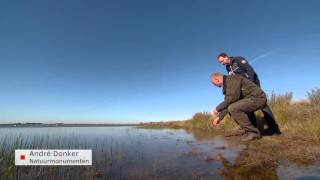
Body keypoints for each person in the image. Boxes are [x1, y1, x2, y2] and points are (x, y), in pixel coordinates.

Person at [217, 53, 281, 135]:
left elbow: (250, 70)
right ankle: (254, 130)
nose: (222, 63)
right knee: (247, 108)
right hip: (243, 90)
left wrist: (251, 85)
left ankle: (274, 128)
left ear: (226, 56)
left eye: (222, 61)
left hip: (252, 85)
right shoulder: (228, 68)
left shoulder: (238, 60)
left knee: (263, 106)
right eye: (220, 63)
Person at [211, 72, 267, 141]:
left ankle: (253, 132)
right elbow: (229, 102)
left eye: (214, 84)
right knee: (232, 108)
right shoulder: (227, 85)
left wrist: (217, 109)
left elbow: (231, 99)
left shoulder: (231, 79)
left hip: (257, 98)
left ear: (217, 79)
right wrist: (219, 117)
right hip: (248, 100)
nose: (215, 86)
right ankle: (248, 131)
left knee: (233, 108)